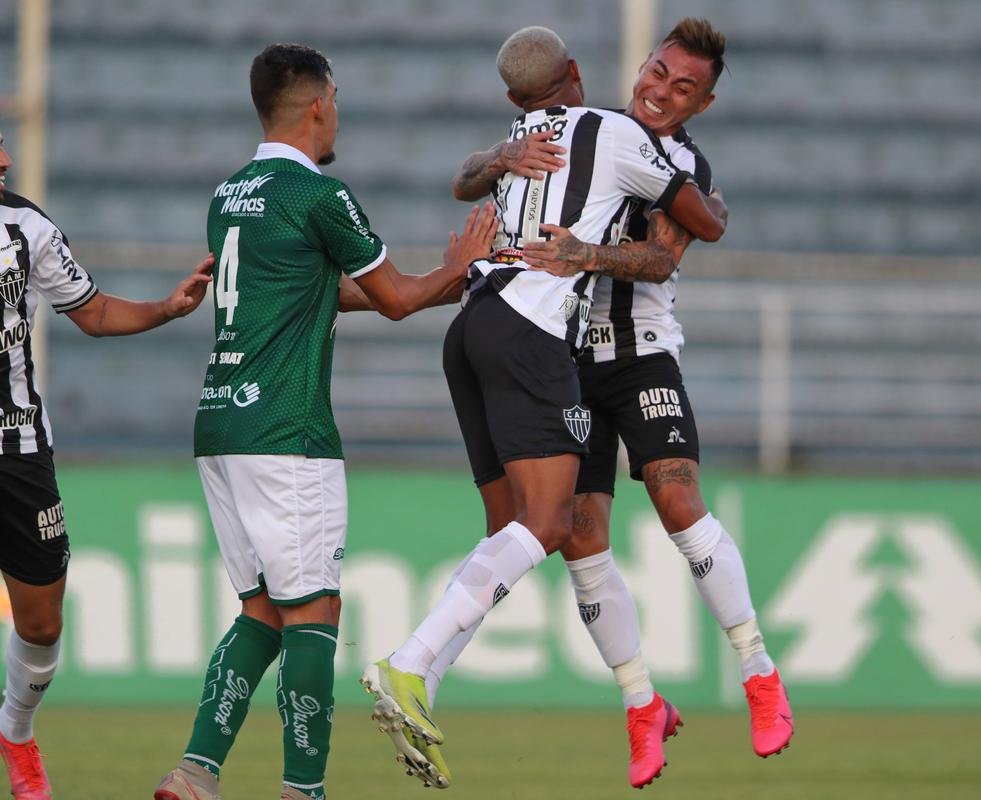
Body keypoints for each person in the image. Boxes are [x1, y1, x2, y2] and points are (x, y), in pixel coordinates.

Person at [359, 25, 728, 790]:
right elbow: (693, 225)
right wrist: (709, 204)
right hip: (532, 335)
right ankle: (409, 661)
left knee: (508, 532)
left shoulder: (516, 142)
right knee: (550, 523)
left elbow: (464, 178)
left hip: (468, 331)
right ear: (578, 76)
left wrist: (495, 158)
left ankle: (423, 683)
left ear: (514, 99)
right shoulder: (614, 132)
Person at [449, 18, 793, 787]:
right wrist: (500, 154)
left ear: (700, 104)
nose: (661, 92)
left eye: (683, 88)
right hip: (562, 359)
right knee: (578, 532)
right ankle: (642, 704)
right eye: (658, 72)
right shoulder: (580, 130)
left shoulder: (682, 163)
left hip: (639, 357)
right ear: (640, 64)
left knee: (675, 497)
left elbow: (664, 257)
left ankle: (758, 673)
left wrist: (587, 254)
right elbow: (468, 172)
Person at [152, 43, 497, 800]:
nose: (337, 111)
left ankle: (195, 772)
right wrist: (466, 263)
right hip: (287, 432)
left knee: (264, 611)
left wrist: (450, 284)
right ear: (317, 104)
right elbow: (397, 298)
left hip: (220, 424)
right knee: (314, 611)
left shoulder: (229, 193)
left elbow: (314, 293)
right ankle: (302, 789)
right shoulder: (320, 196)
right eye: (335, 99)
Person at [0, 132, 213, 800]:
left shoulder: (26, 227)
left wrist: (166, 309)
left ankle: (16, 730)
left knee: (41, 622)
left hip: (17, 446)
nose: (5, 159)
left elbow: (90, 311)